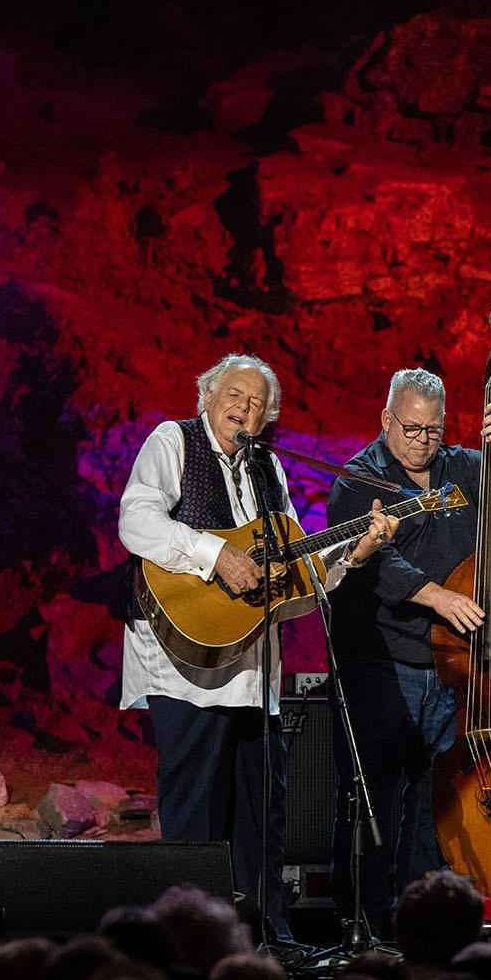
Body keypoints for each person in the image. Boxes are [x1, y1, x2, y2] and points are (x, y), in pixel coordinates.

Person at [119, 354, 396, 941]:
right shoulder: (174, 441)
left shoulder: (268, 468)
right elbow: (137, 520)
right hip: (184, 664)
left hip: (251, 665)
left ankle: (268, 938)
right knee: (196, 812)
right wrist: (214, 555)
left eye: (256, 404)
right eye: (234, 396)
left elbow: (299, 567)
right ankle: (186, 938)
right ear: (206, 395)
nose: (242, 408)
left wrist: (354, 552)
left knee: (261, 814)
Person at [325, 367, 491, 933]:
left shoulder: (463, 467)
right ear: (386, 421)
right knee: (373, 798)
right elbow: (377, 562)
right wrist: (439, 598)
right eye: (410, 428)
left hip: (450, 668)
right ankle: (362, 924)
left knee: (431, 802)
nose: (422, 440)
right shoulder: (359, 478)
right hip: (382, 662)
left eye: (433, 430)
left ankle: (419, 925)